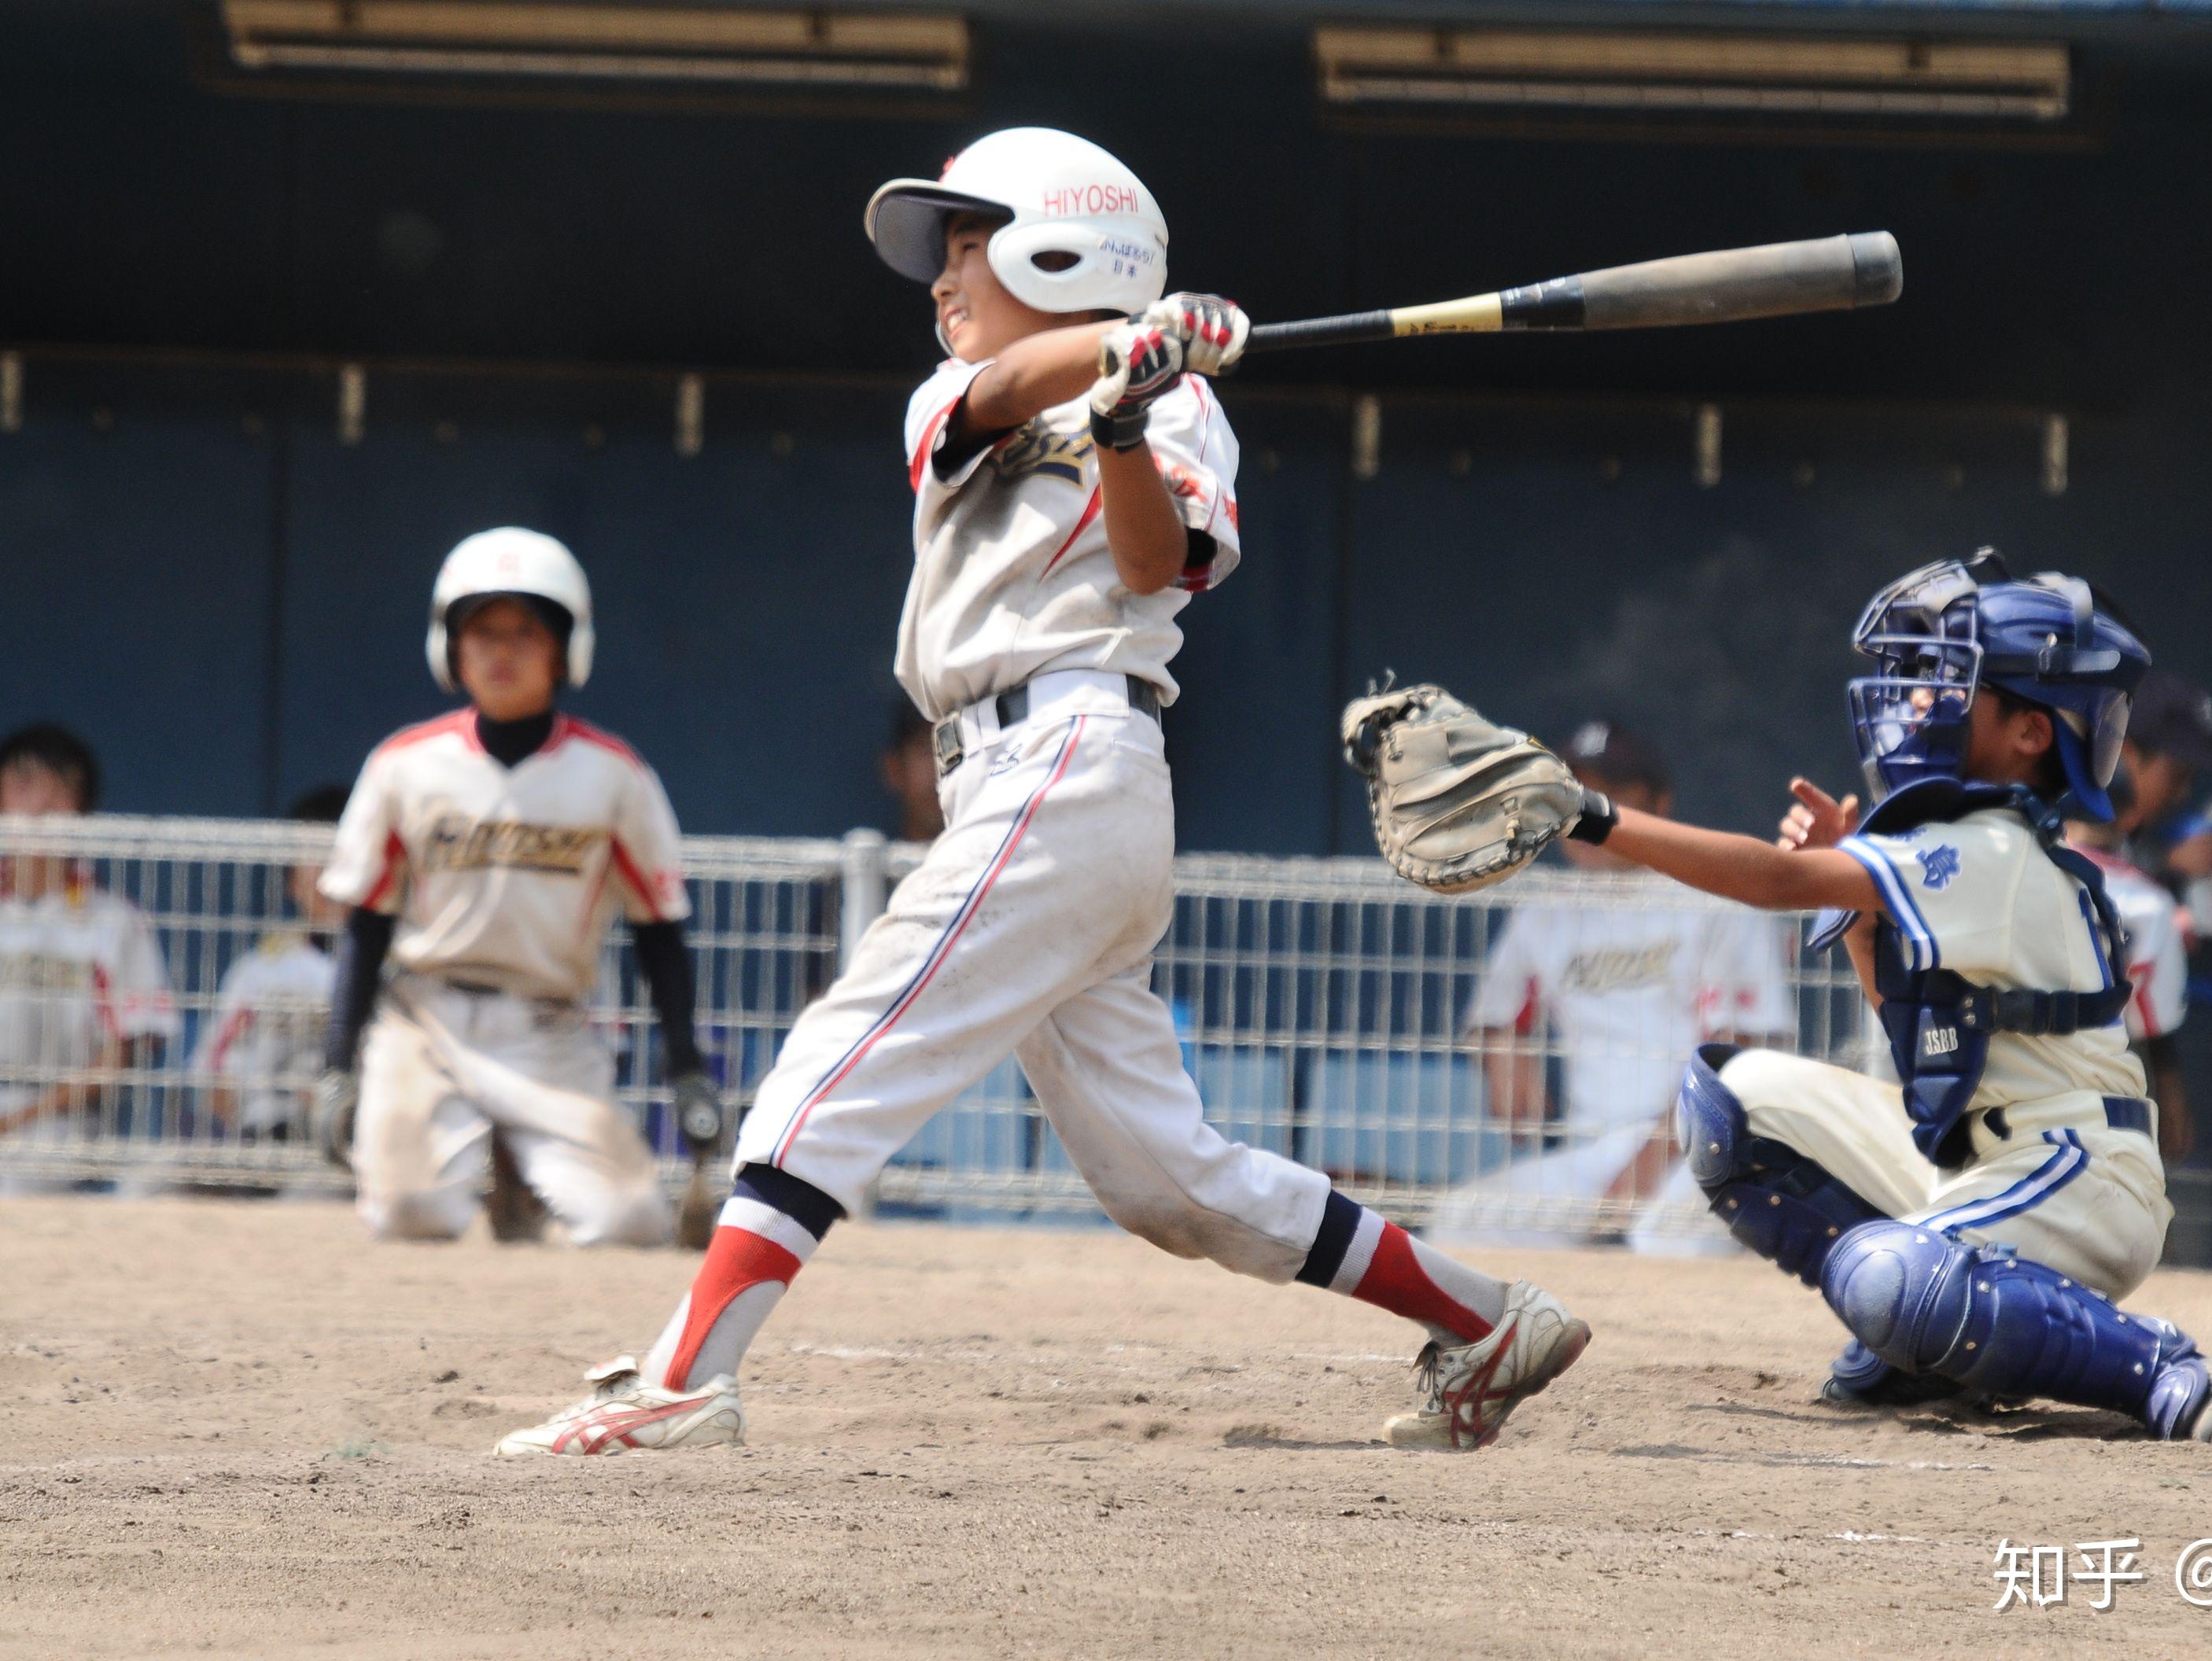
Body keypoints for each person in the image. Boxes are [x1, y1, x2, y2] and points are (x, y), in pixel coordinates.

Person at [496, 127, 1587, 1459]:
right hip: (1014, 781)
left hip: (1075, 757)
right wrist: (1114, 358)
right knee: (1164, 1178)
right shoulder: (953, 393)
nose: (943, 279)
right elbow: (1010, 383)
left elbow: (1147, 562)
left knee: (841, 1051)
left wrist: (1132, 409)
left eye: (969, 245)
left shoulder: (1186, 412)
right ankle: (1484, 1319)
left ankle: (684, 1374)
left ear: (1059, 246)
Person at [1484, 551, 2212, 1442]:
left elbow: (1770, 881)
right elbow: (1923, 1056)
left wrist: (1588, 814)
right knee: (1729, 1101)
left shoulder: (1993, 848)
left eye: (1950, 682)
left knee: (1889, 1279)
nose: (1914, 697)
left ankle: (2165, 1368)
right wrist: (1862, 915)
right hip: (1984, 1160)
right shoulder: (1953, 837)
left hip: (2079, 1178)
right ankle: (1924, 1343)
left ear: (2030, 732)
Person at [314, 528, 720, 1247]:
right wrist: (336, 1064)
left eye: (525, 631)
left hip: (548, 1029)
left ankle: (519, 1172)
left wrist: (686, 1066)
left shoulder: (614, 774)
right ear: (450, 647)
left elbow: (659, 930)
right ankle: (494, 1168)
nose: (501, 651)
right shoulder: (405, 765)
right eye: (481, 630)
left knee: (630, 1225)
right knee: (413, 1217)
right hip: (424, 1022)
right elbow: (366, 924)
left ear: (566, 648)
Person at [1432, 720, 1794, 1255]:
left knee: (1663, 1242)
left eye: (1615, 794)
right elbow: (1499, 1020)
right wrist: (1507, 1065)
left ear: (1660, 804)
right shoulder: (1544, 912)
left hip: (1712, 1151)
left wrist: (1642, 1171)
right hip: (1593, 1150)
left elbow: (1736, 1059)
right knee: (1461, 1224)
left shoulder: (1716, 894)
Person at [0, 724, 176, 1169]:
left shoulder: (115, 920)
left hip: (60, 1122)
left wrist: (20, 1117)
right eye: (24, 787)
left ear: (83, 814)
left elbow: (125, 1049)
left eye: (58, 795)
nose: (39, 809)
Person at [194, 786, 351, 1141]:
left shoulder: (398, 969)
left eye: (337, 854)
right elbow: (212, 1072)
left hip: (338, 1146)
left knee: (307, 1193)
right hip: (253, 1136)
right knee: (151, 1184)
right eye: (312, 857)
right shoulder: (259, 970)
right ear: (292, 880)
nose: (324, 873)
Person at [2063, 791, 2195, 1167]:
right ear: (2128, 817)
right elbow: (2156, 1023)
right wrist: (2173, 1097)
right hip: (2104, 1086)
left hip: (2016, 1076)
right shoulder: (2150, 901)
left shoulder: (2027, 875)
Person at [2115, 671, 2212, 893]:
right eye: (2177, 777)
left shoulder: (2142, 832)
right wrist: (2168, 861)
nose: (2184, 793)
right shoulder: (2072, 815)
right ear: (2129, 756)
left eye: (2192, 778)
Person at [879, 695, 944, 842]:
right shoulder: (879, 864)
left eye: (948, 749)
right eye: (926, 749)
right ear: (895, 769)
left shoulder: (1000, 862)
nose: (940, 766)